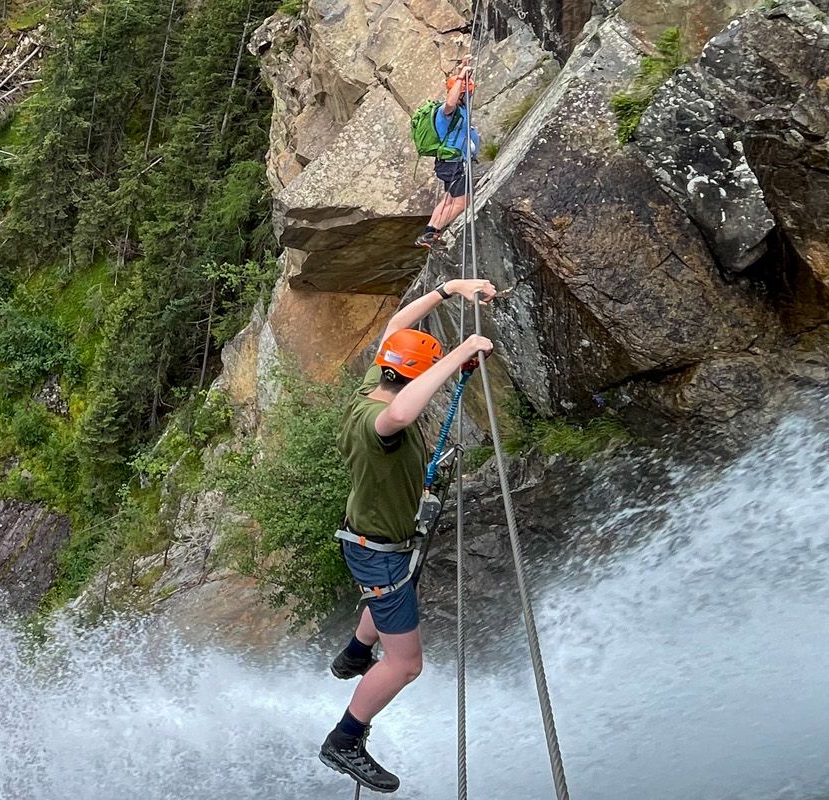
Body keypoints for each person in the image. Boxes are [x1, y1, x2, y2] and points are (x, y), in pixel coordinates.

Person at [319, 277, 499, 793]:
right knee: (405, 664)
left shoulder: (370, 389)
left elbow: (397, 328)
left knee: (386, 608)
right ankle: (345, 740)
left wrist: (447, 288)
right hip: (379, 555)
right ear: (413, 378)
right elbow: (402, 412)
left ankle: (355, 653)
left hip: (366, 541)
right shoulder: (384, 420)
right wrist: (461, 351)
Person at [416, 63, 480, 250]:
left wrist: (464, 68)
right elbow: (450, 102)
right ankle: (432, 232)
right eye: (467, 92)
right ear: (460, 93)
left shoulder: (460, 110)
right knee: (461, 202)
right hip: (453, 164)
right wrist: (460, 78)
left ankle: (429, 232)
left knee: (449, 200)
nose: (470, 95)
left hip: (451, 163)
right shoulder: (447, 111)